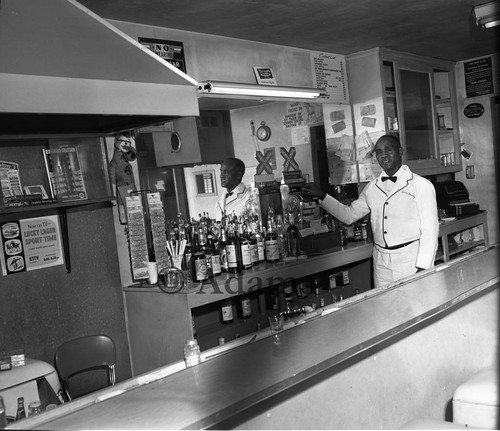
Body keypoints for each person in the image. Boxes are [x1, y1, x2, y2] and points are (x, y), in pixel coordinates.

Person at [302, 134, 439, 289]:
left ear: (400, 151)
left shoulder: (421, 185)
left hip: (410, 261)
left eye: (389, 150)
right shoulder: (372, 187)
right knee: (385, 309)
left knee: (415, 308)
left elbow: (430, 230)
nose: (384, 155)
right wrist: (322, 196)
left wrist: (423, 267)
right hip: (381, 263)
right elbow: (349, 215)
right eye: (379, 152)